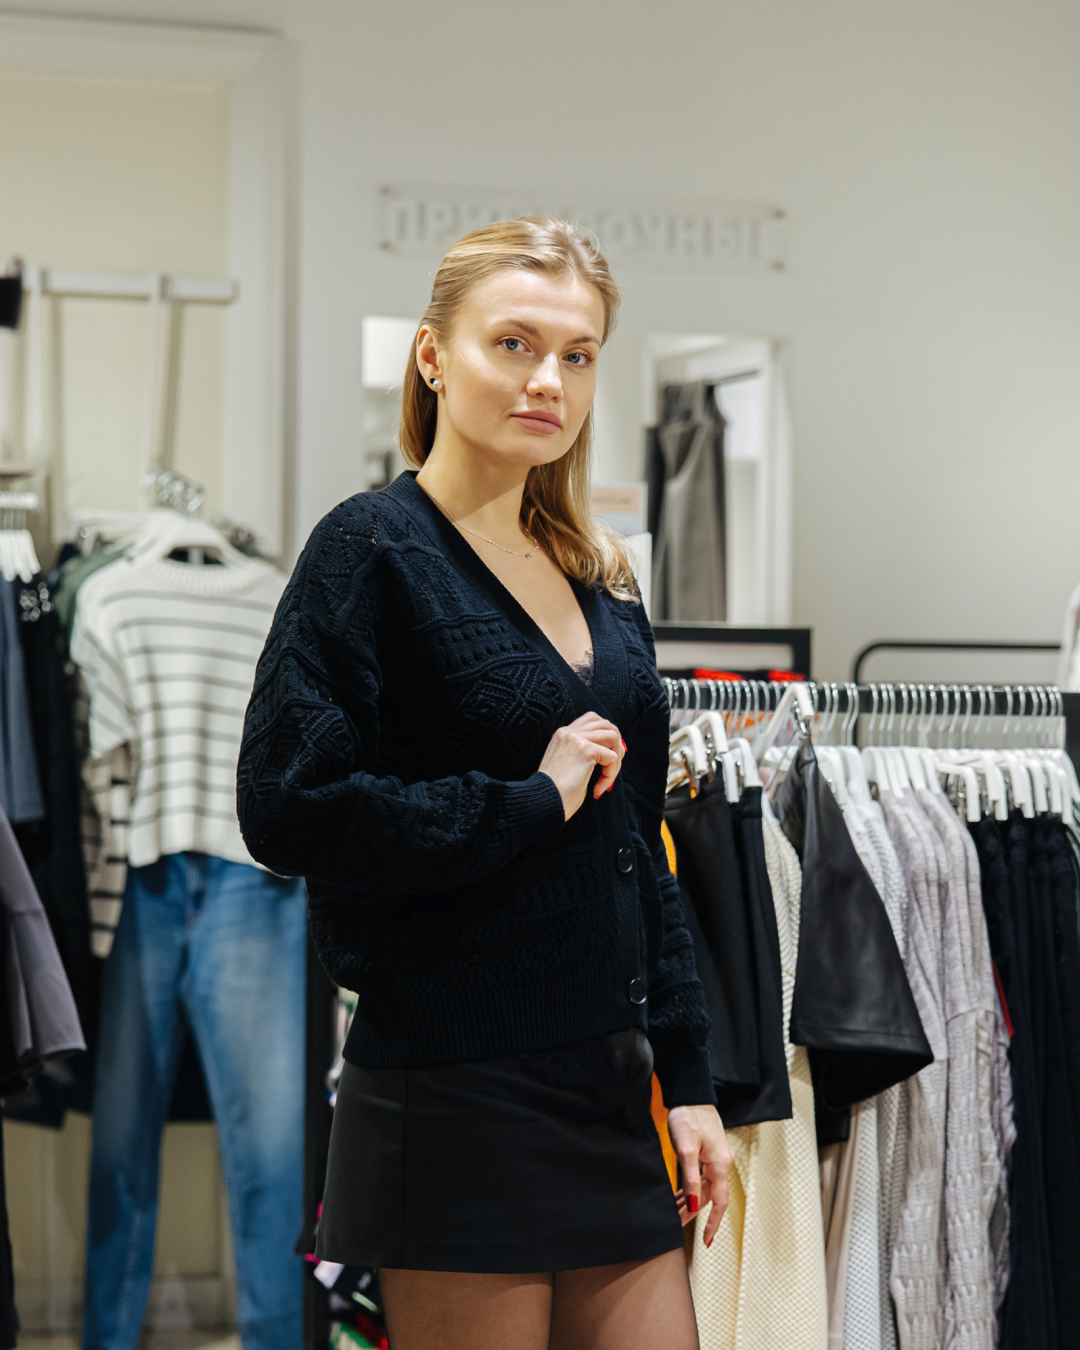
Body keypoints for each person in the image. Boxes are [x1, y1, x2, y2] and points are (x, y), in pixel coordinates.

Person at [237, 217, 731, 1350]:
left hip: (611, 1085)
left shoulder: (603, 578)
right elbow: (289, 807)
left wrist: (692, 1076)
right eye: (514, 343)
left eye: (577, 354)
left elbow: (639, 855)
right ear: (432, 356)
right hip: (450, 1085)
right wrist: (528, 801)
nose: (548, 380)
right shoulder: (370, 550)